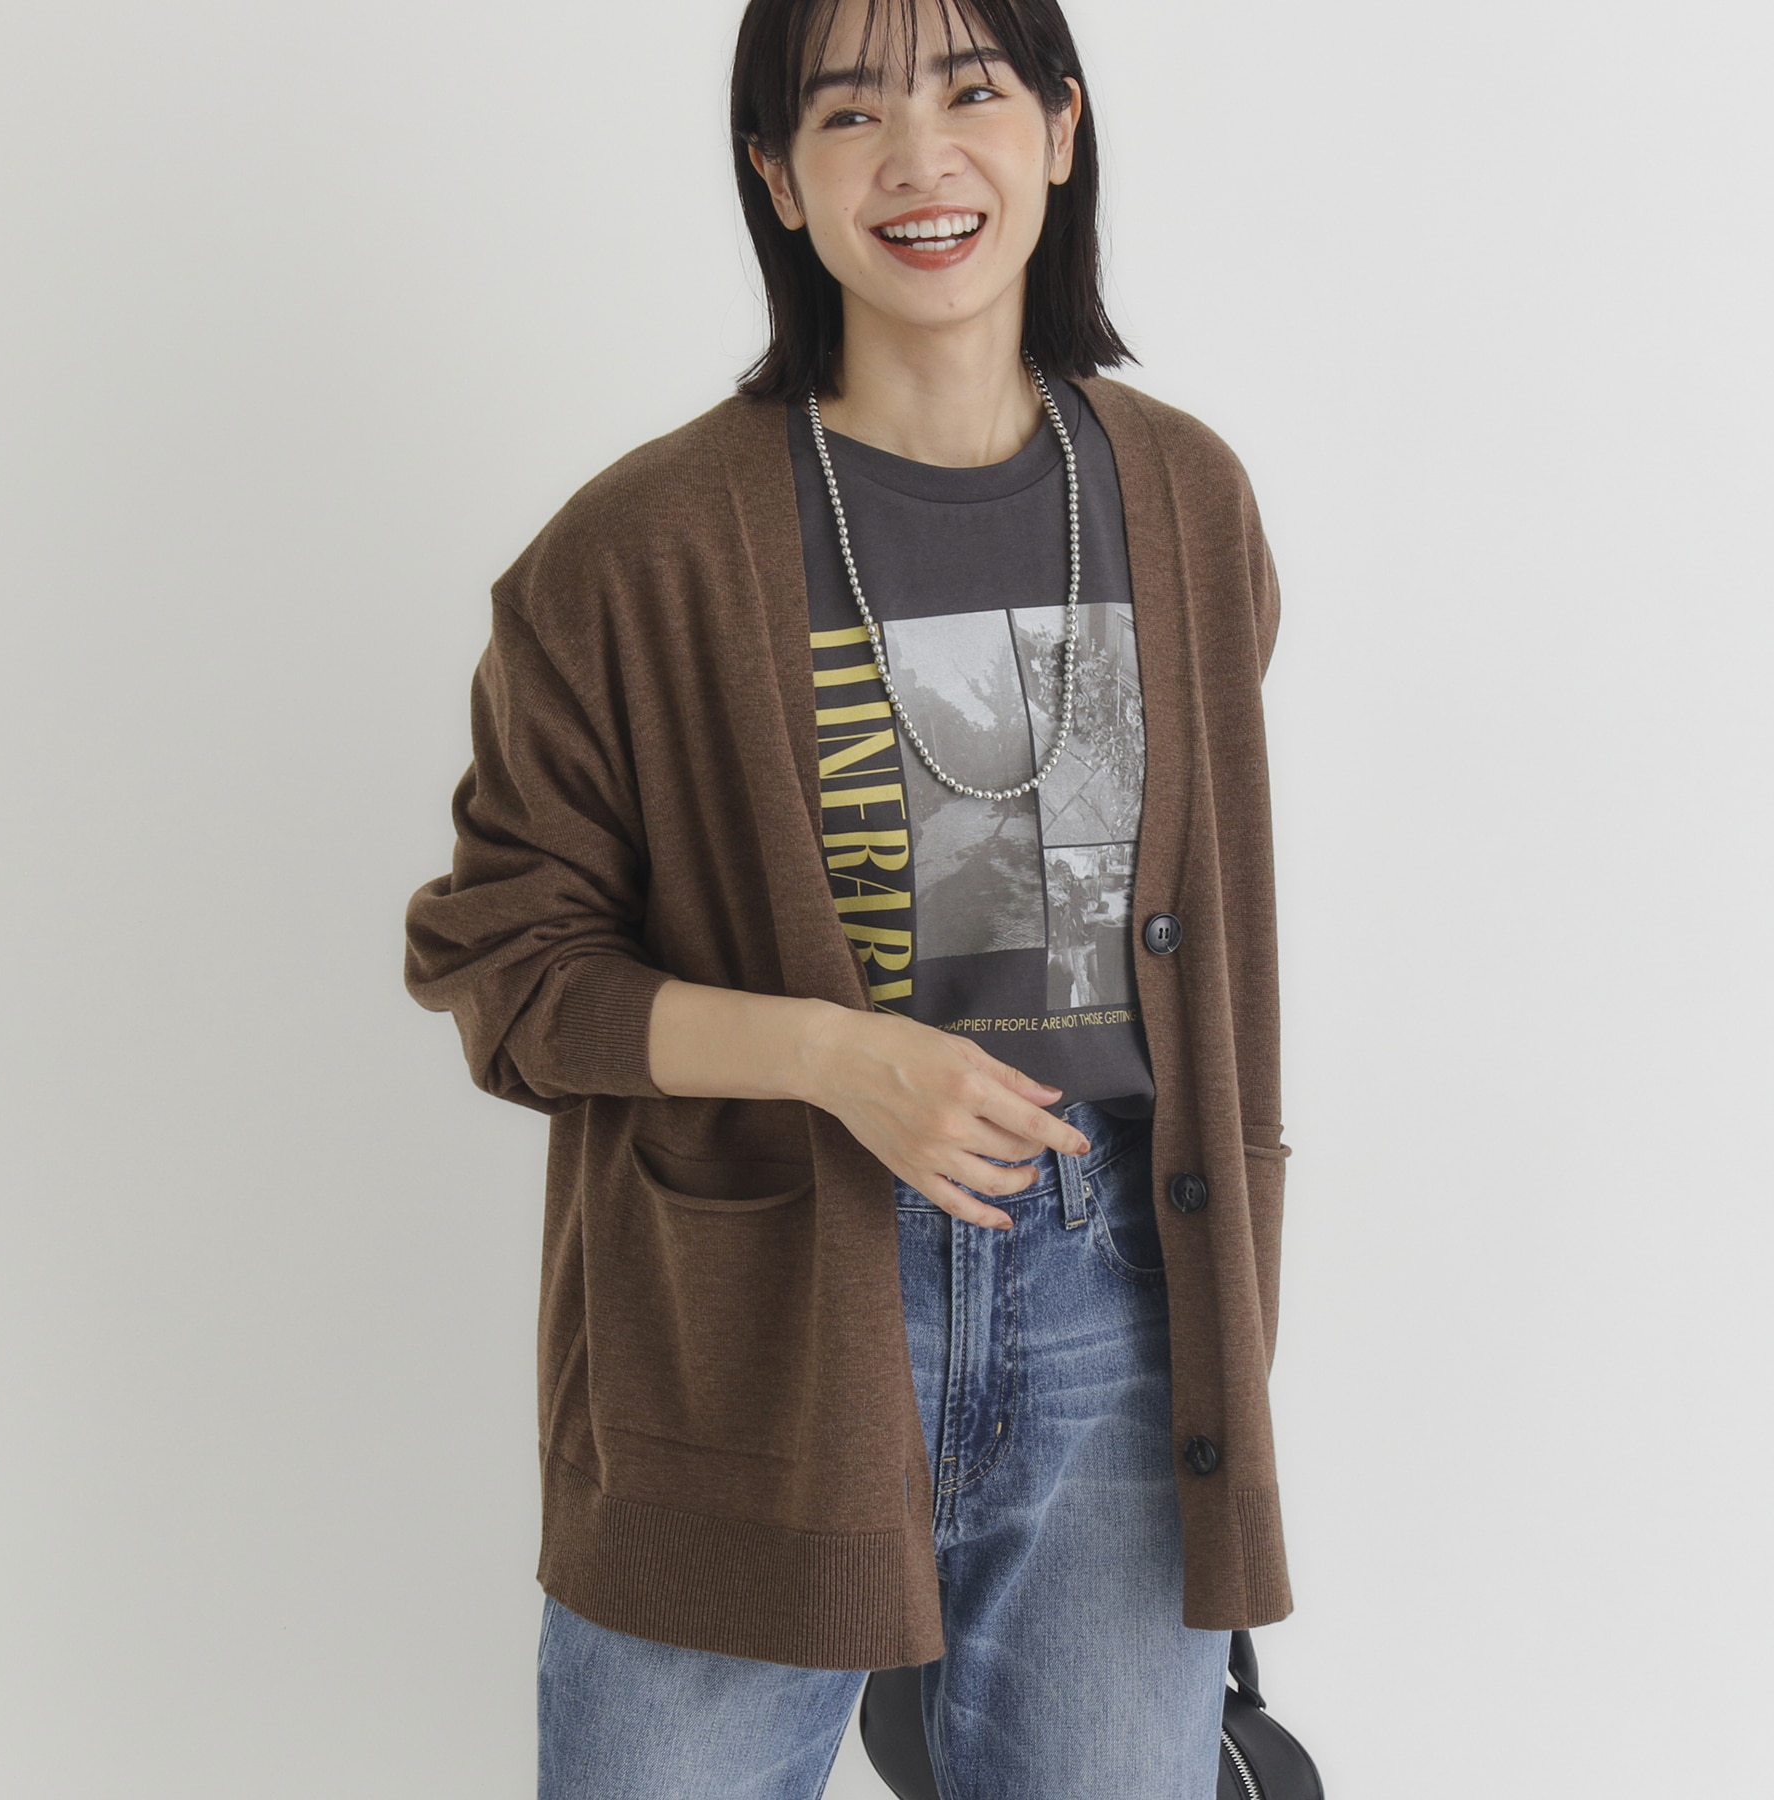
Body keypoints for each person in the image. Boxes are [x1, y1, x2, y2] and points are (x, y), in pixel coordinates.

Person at [402, 0, 1296, 1794]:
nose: (920, 159)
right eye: (847, 114)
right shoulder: (637, 551)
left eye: (972, 92)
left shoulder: (1186, 501)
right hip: (766, 1310)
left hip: (1120, 1293)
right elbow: (504, 964)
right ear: (777, 177)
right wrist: (833, 1056)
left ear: (1060, 130)